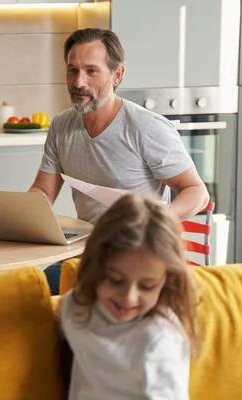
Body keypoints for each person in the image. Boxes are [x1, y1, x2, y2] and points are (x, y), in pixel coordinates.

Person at [29, 28, 209, 294]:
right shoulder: (61, 126)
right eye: (72, 70)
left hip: (141, 254)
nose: (79, 82)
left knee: (57, 300)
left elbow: (197, 193)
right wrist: (20, 219)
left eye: (91, 71)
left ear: (117, 75)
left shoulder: (146, 128)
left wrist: (155, 222)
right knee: (31, 294)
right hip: (90, 252)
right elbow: (43, 191)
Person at [57, 194, 200, 399]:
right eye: (116, 280)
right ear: (96, 268)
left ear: (165, 282)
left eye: (147, 286)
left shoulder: (160, 341)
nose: (129, 298)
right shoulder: (77, 307)